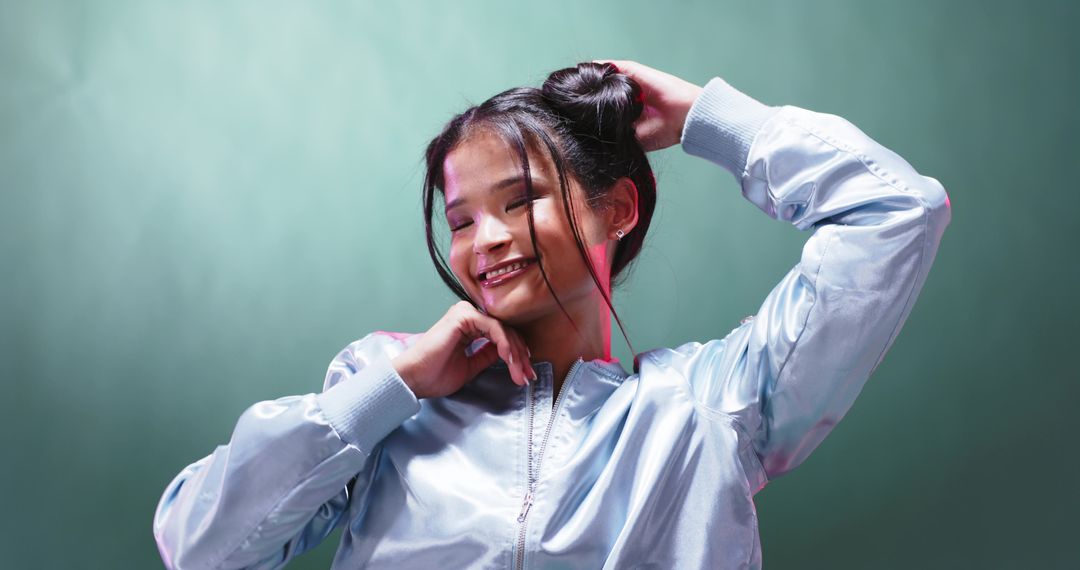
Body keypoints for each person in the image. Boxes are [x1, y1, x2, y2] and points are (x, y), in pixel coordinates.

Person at [152, 60, 951, 569]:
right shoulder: (383, 396)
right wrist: (391, 387)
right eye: (462, 220)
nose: (485, 240)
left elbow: (897, 213)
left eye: (521, 198)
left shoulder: (714, 407)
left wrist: (710, 119)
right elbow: (200, 547)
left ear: (617, 210)